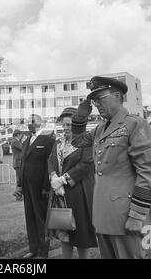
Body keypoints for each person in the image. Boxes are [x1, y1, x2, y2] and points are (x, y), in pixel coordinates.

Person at [71, 76, 151, 259]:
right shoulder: (100, 129)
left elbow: (148, 172)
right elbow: (77, 141)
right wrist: (80, 117)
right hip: (104, 212)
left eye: (100, 99)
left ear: (117, 95)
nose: (97, 104)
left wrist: (137, 216)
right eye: (94, 101)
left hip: (127, 212)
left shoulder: (135, 124)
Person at [47, 107, 97, 259]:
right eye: (64, 124)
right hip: (59, 194)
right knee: (64, 230)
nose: (66, 128)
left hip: (79, 192)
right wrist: (54, 177)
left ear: (76, 125)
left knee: (81, 232)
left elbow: (87, 165)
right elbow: (50, 160)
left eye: (69, 125)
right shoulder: (58, 142)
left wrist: (63, 180)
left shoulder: (86, 141)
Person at [17, 114, 55, 259]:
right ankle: (33, 249)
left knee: (41, 219)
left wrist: (46, 186)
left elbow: (49, 164)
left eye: (32, 121)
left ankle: (43, 252)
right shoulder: (26, 141)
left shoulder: (48, 140)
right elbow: (23, 164)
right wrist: (19, 185)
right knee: (30, 217)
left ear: (41, 123)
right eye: (28, 121)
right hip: (27, 187)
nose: (29, 124)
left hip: (40, 188)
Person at [11, 129, 24, 201]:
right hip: (18, 162)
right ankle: (18, 195)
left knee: (19, 180)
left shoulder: (15, 141)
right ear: (18, 135)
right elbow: (22, 148)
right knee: (19, 180)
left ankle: (18, 195)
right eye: (21, 135)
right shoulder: (15, 141)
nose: (21, 136)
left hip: (18, 162)